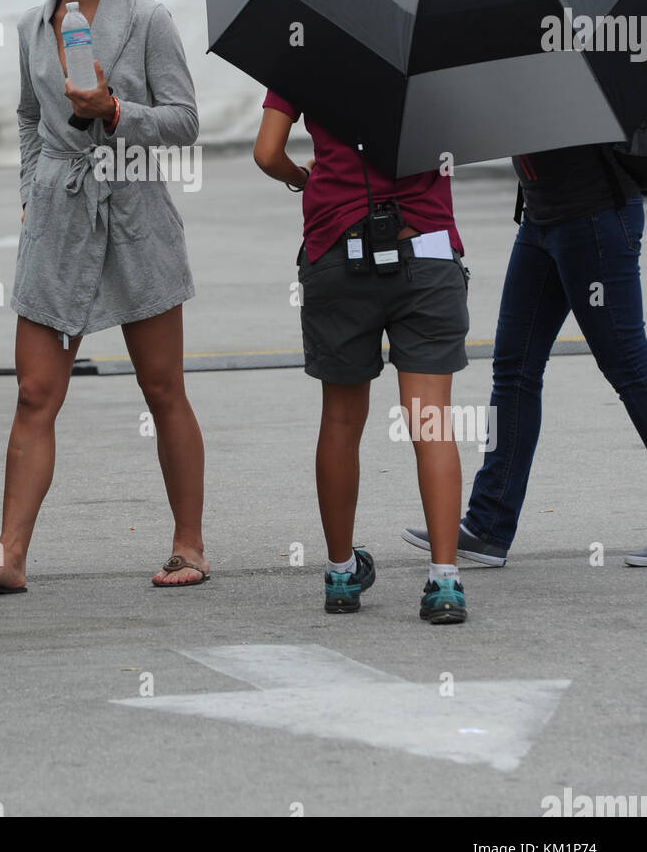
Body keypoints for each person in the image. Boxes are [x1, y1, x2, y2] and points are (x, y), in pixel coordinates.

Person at [0, 0, 209, 595]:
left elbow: (185, 122)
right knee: (34, 393)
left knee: (163, 388)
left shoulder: (149, 20)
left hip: (135, 214)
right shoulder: (35, 23)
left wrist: (116, 110)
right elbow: (30, 115)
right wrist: (32, 190)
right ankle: (8, 557)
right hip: (58, 215)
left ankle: (189, 546)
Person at [255, 96, 471, 622]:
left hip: (336, 248)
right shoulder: (435, 51)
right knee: (430, 420)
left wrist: (302, 177)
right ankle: (445, 582)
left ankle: (340, 572)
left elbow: (266, 153)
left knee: (341, 419)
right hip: (427, 248)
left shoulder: (298, 46)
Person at [402, 140, 647, 568]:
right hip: (541, 218)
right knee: (514, 367)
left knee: (629, 367)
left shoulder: (586, 72)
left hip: (594, 215)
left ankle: (488, 524)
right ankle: (488, 527)